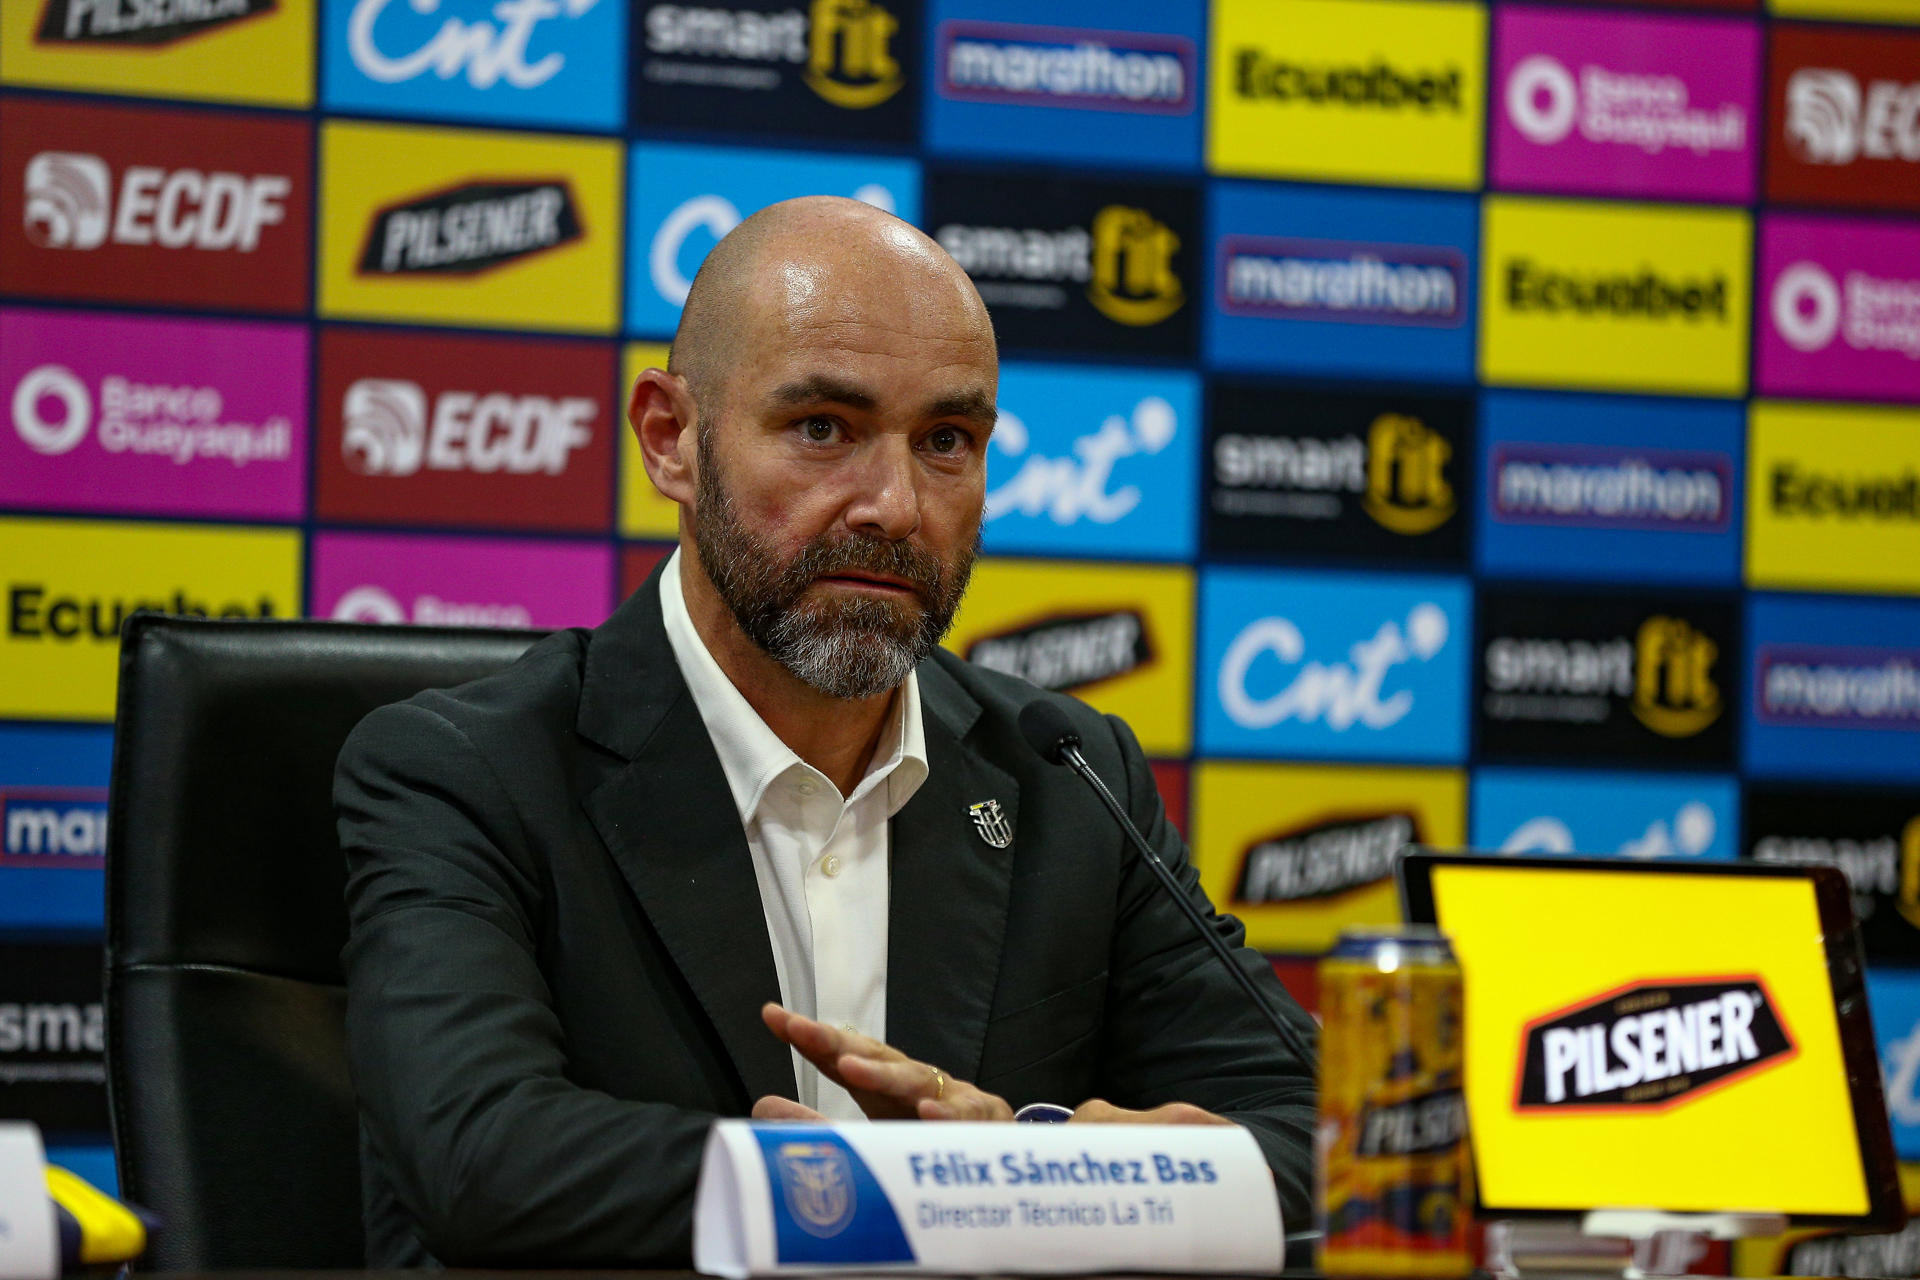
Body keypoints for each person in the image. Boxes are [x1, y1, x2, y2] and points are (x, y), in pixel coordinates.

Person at [334, 196, 1317, 1268]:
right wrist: (965, 1191)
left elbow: (1321, 1129)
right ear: (672, 439)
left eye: (946, 440)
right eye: (823, 429)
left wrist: (1034, 1157)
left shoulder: (1069, 777)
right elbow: (485, 1159)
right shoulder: (465, 771)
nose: (893, 504)